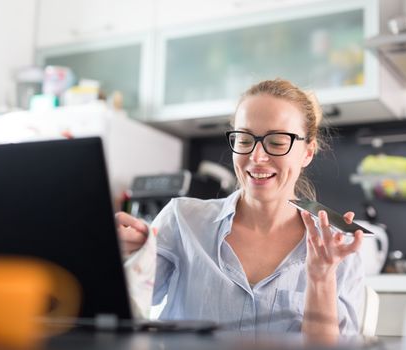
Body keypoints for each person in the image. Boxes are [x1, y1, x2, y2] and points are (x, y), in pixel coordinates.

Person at [116, 79, 364, 336]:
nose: (257, 157)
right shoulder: (182, 220)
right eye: (244, 140)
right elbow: (125, 311)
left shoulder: (337, 247)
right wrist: (128, 257)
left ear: (308, 153)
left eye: (277, 142)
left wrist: (321, 278)